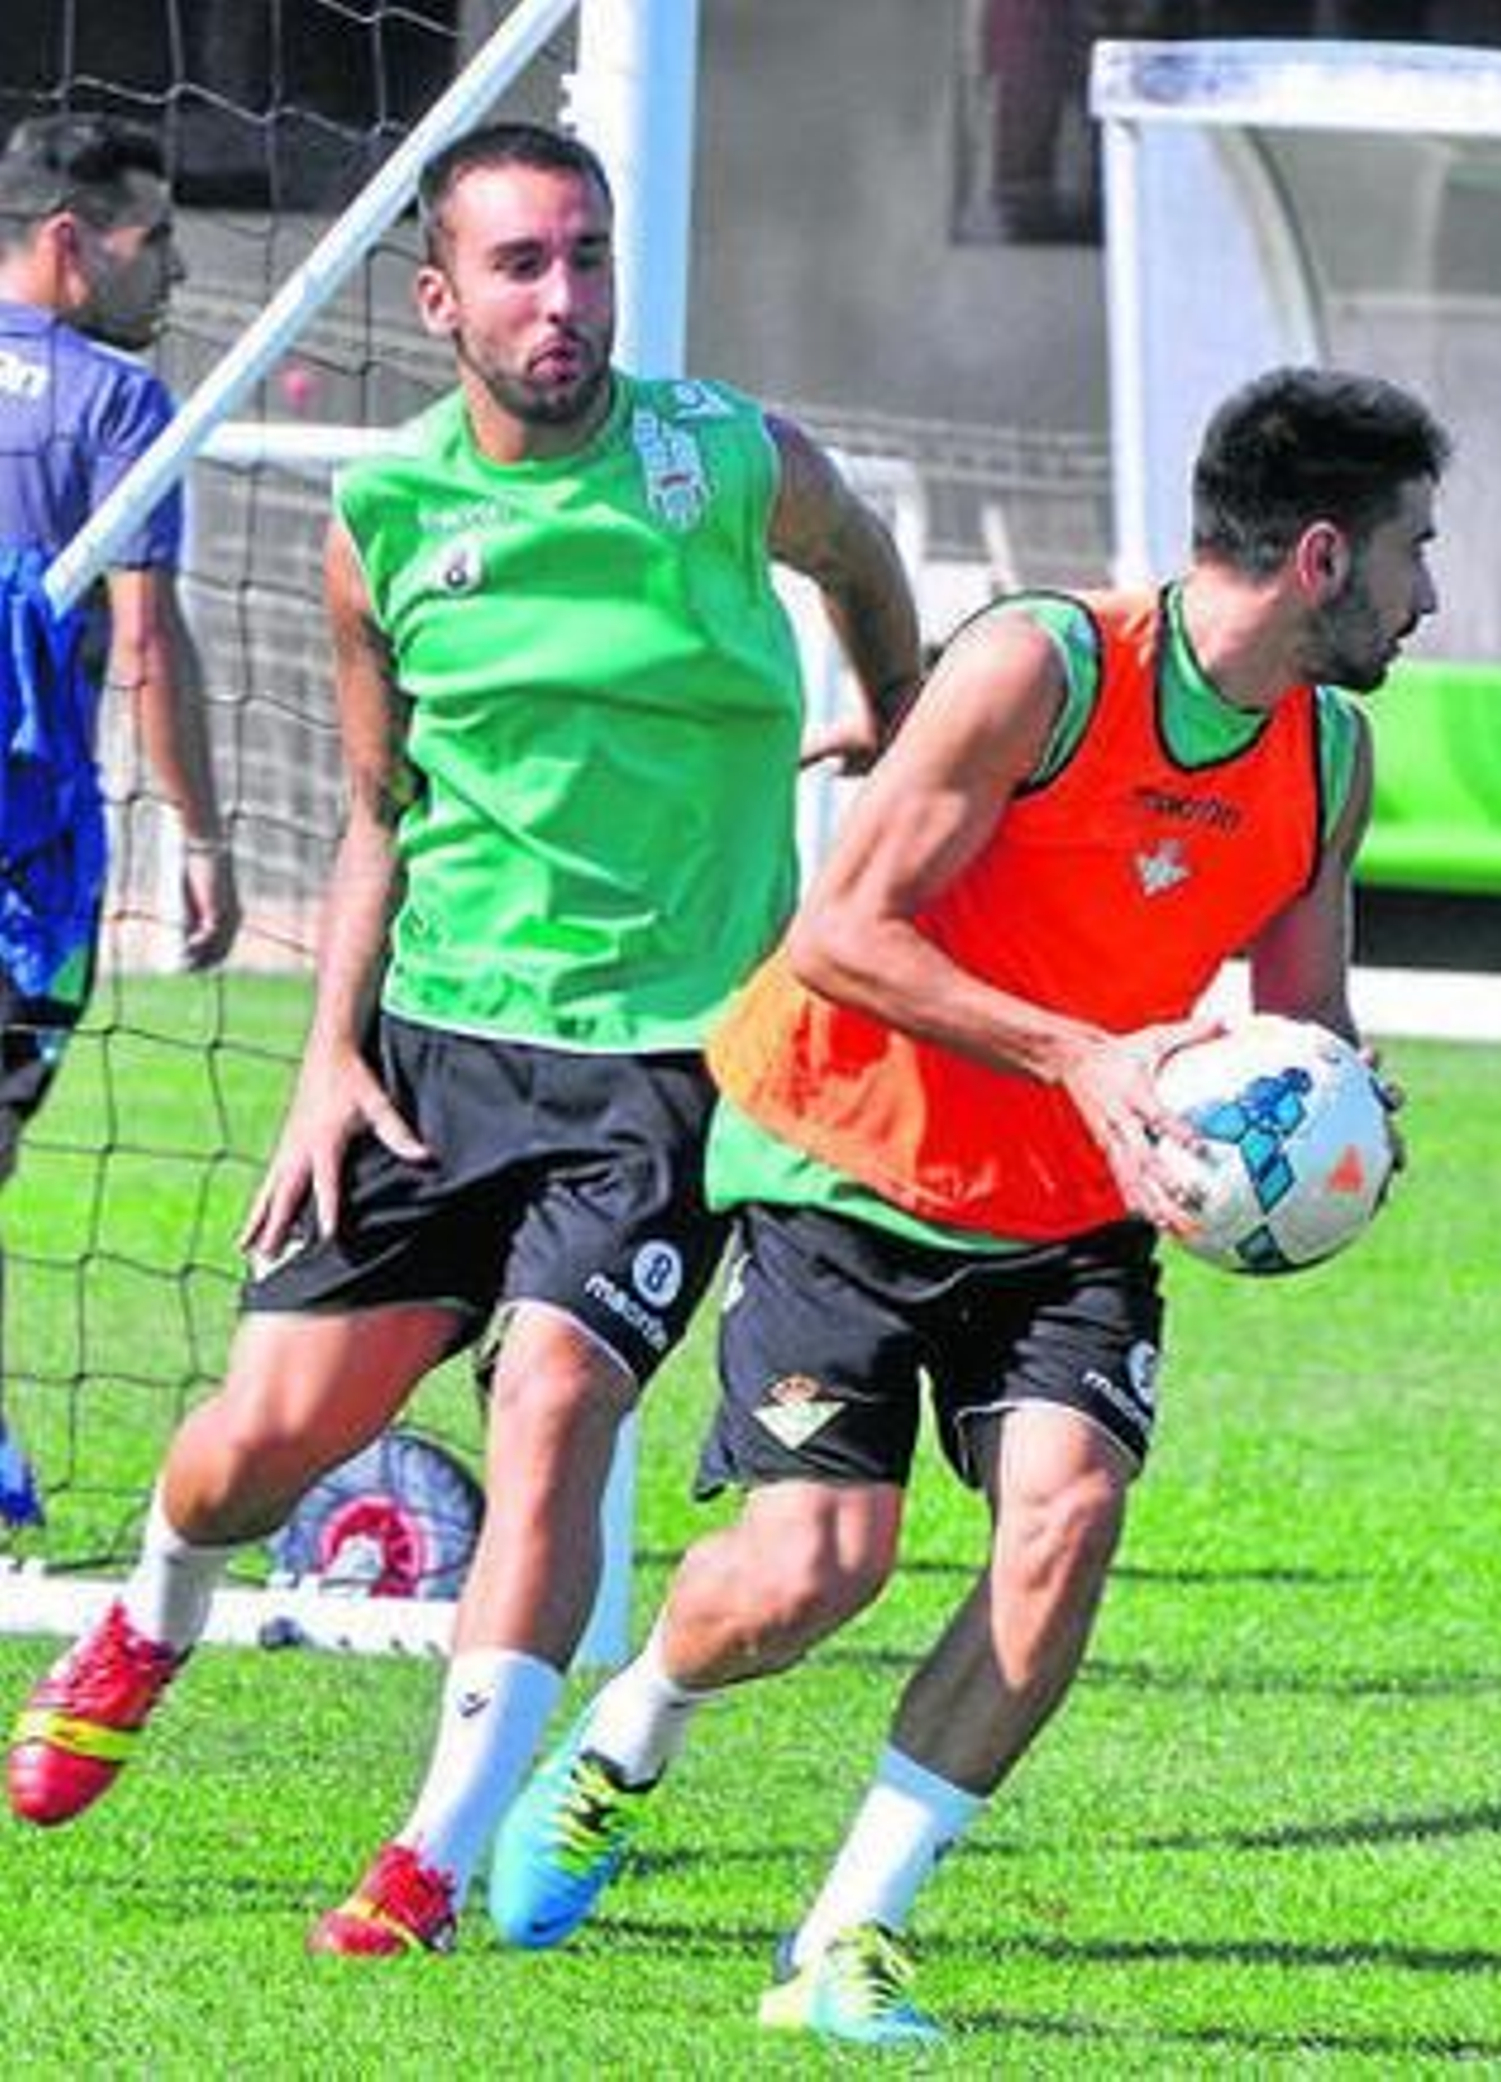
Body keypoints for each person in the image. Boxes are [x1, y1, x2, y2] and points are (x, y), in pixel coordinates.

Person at [5, 120, 921, 1955]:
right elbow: (378, 811)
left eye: (585, 257)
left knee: (557, 1401)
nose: (564, 297)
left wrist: (899, 727)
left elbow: (868, 562)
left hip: (672, 1065)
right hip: (435, 1047)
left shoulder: (722, 460)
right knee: (252, 1448)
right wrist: (325, 1054)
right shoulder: (389, 519)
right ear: (442, 301)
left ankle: (431, 1851)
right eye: (521, 265)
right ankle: (153, 1609)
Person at [487, 366, 1447, 2042]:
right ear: (1318, 555)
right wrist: (1080, 1051)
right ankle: (628, 1730)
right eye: (1414, 552)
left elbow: (1301, 1014)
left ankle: (847, 1936)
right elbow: (845, 928)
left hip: (1072, 1208)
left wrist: (1338, 1129)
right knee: (811, 1568)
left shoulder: (1330, 756)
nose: (1426, 597)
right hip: (847, 1161)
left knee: (1064, 1521)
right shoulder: (1043, 668)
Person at [0, 115, 239, 1525]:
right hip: (26, 863)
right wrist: (202, 841)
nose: (178, 274)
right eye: (156, 242)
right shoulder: (115, 405)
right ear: (71, 243)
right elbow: (145, 645)